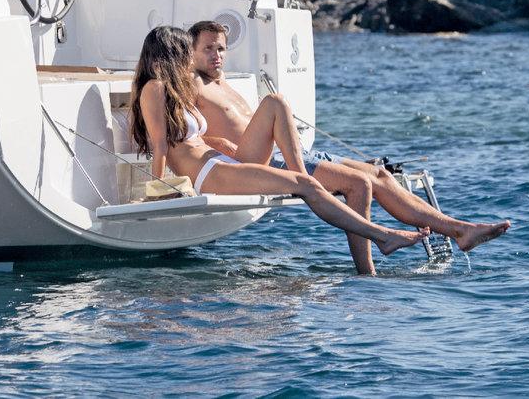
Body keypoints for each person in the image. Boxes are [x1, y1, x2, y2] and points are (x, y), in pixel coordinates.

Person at [187, 20, 510, 270]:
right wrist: (217, 143)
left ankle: (459, 230)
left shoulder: (222, 81)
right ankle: (366, 272)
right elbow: (187, 129)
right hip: (266, 162)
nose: (217, 55)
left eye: (221, 49)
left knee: (380, 175)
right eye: (209, 49)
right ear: (192, 52)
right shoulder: (192, 83)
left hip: (293, 151)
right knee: (358, 184)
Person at [130, 26, 430, 274]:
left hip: (222, 163)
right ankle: (382, 236)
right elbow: (160, 144)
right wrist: (158, 190)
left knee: (295, 155)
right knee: (305, 183)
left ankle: (380, 237)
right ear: (170, 53)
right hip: (209, 174)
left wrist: (219, 143)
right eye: (184, 51)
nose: (188, 58)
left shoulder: (174, 91)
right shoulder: (154, 88)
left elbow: (187, 138)